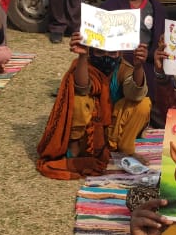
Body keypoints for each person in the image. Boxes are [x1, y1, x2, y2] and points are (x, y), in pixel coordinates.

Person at [37, 33, 152, 179]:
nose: (106, 57)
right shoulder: (84, 65)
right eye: (99, 52)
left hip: (114, 129)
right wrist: (82, 57)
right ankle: (76, 148)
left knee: (143, 103)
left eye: (112, 53)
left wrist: (138, 67)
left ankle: (126, 150)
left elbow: (135, 95)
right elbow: (82, 88)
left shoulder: (124, 68)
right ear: (91, 51)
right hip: (91, 132)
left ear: (120, 53)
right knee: (79, 99)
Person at [101, 0, 168, 126]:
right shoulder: (108, 9)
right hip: (118, 70)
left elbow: (160, 44)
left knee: (159, 115)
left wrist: (157, 52)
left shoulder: (157, 9)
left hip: (149, 69)